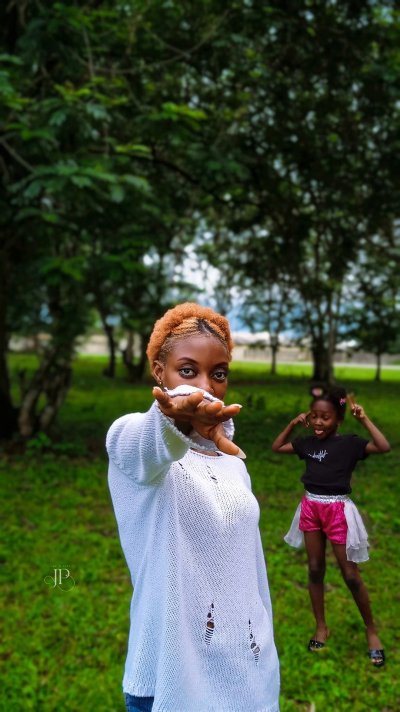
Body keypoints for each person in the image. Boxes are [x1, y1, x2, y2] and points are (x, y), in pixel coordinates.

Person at [106, 302, 280, 712]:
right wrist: (178, 418)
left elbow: (251, 573)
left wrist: (264, 653)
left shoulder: (233, 463)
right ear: (159, 372)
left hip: (247, 678)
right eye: (187, 371)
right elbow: (144, 439)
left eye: (218, 374)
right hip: (170, 680)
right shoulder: (136, 447)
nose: (205, 386)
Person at [271, 386, 390, 667]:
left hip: (337, 510)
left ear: (338, 420)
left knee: (350, 575)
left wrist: (364, 419)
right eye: (314, 416)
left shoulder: (349, 444)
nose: (318, 422)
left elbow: (383, 446)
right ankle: (321, 627)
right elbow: (277, 447)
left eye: (325, 417)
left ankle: (371, 631)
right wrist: (293, 423)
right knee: (314, 569)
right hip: (311, 507)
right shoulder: (307, 443)